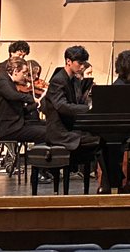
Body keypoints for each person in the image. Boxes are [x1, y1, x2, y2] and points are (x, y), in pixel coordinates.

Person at [41, 45, 113, 191]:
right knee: (101, 141)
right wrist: (88, 108)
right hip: (60, 132)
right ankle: (109, 183)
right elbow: (62, 106)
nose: (82, 66)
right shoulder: (58, 80)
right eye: (79, 63)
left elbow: (77, 103)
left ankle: (108, 183)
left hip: (71, 128)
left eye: (83, 63)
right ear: (68, 61)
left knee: (104, 138)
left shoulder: (74, 80)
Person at [0, 60, 47, 143]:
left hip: (17, 125)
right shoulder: (2, 81)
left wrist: (35, 105)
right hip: (9, 129)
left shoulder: (11, 83)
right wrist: (31, 98)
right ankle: (38, 151)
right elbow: (12, 95)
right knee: (45, 133)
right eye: (23, 73)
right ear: (16, 71)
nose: (24, 76)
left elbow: (20, 110)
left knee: (49, 129)